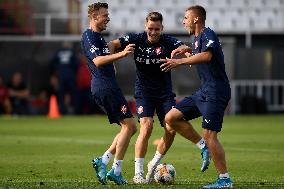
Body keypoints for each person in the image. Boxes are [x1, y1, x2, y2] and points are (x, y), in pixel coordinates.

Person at [108, 12, 210, 184]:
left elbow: (184, 48)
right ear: (145, 26)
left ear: (162, 28)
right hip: (144, 93)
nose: (153, 32)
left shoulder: (168, 41)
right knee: (146, 127)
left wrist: (188, 57)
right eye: (150, 28)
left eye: (157, 29)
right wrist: (110, 64)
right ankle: (138, 173)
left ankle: (153, 164)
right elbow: (112, 44)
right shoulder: (136, 39)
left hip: (164, 94)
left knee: (171, 128)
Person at [160, 5, 233, 188]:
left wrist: (180, 61)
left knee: (210, 134)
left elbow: (207, 57)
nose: (184, 21)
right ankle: (204, 147)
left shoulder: (208, 34)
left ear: (195, 19)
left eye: (186, 18)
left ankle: (224, 179)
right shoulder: (196, 39)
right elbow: (198, 62)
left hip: (216, 91)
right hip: (204, 92)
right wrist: (188, 52)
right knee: (171, 118)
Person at [81, 2, 137, 185]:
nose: (108, 18)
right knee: (129, 126)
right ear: (94, 17)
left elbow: (108, 51)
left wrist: (113, 59)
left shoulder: (98, 37)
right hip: (104, 86)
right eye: (105, 15)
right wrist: (121, 55)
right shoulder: (89, 36)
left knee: (128, 127)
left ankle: (103, 161)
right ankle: (116, 170)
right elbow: (97, 61)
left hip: (109, 85)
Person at [50, 41, 79, 114]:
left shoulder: (58, 52)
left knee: (61, 94)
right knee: (73, 94)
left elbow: (52, 63)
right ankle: (75, 111)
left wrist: (57, 70)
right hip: (70, 76)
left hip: (61, 76)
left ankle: (61, 111)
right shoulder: (72, 52)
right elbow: (76, 64)